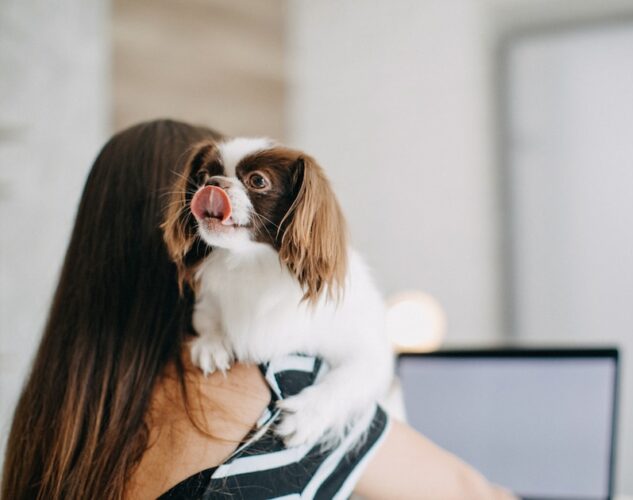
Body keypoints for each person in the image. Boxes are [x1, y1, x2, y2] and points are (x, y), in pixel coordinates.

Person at [1, 119, 513, 499]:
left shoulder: (51, 423)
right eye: (205, 179)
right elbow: (467, 491)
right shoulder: (281, 387)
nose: (218, 191)